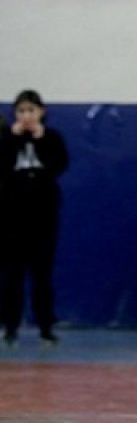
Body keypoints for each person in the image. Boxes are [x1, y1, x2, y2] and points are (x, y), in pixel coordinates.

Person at [0, 90, 69, 348]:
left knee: (42, 276)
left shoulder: (52, 138)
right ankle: (10, 327)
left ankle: (45, 327)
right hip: (11, 219)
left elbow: (58, 166)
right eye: (21, 111)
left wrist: (41, 142)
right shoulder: (6, 139)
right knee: (11, 276)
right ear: (15, 114)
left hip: (43, 219)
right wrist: (12, 139)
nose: (26, 116)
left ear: (42, 112)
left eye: (31, 110)